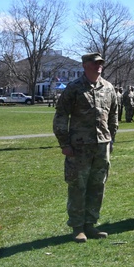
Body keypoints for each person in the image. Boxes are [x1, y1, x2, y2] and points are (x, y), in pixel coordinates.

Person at [52, 52, 119, 243]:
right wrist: (64, 143)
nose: (99, 66)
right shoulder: (74, 88)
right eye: (95, 63)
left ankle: (90, 223)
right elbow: (61, 116)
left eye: (101, 63)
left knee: (97, 185)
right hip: (79, 147)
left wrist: (110, 139)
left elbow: (113, 116)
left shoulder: (108, 88)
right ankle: (77, 227)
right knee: (78, 186)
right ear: (85, 65)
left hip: (101, 146)